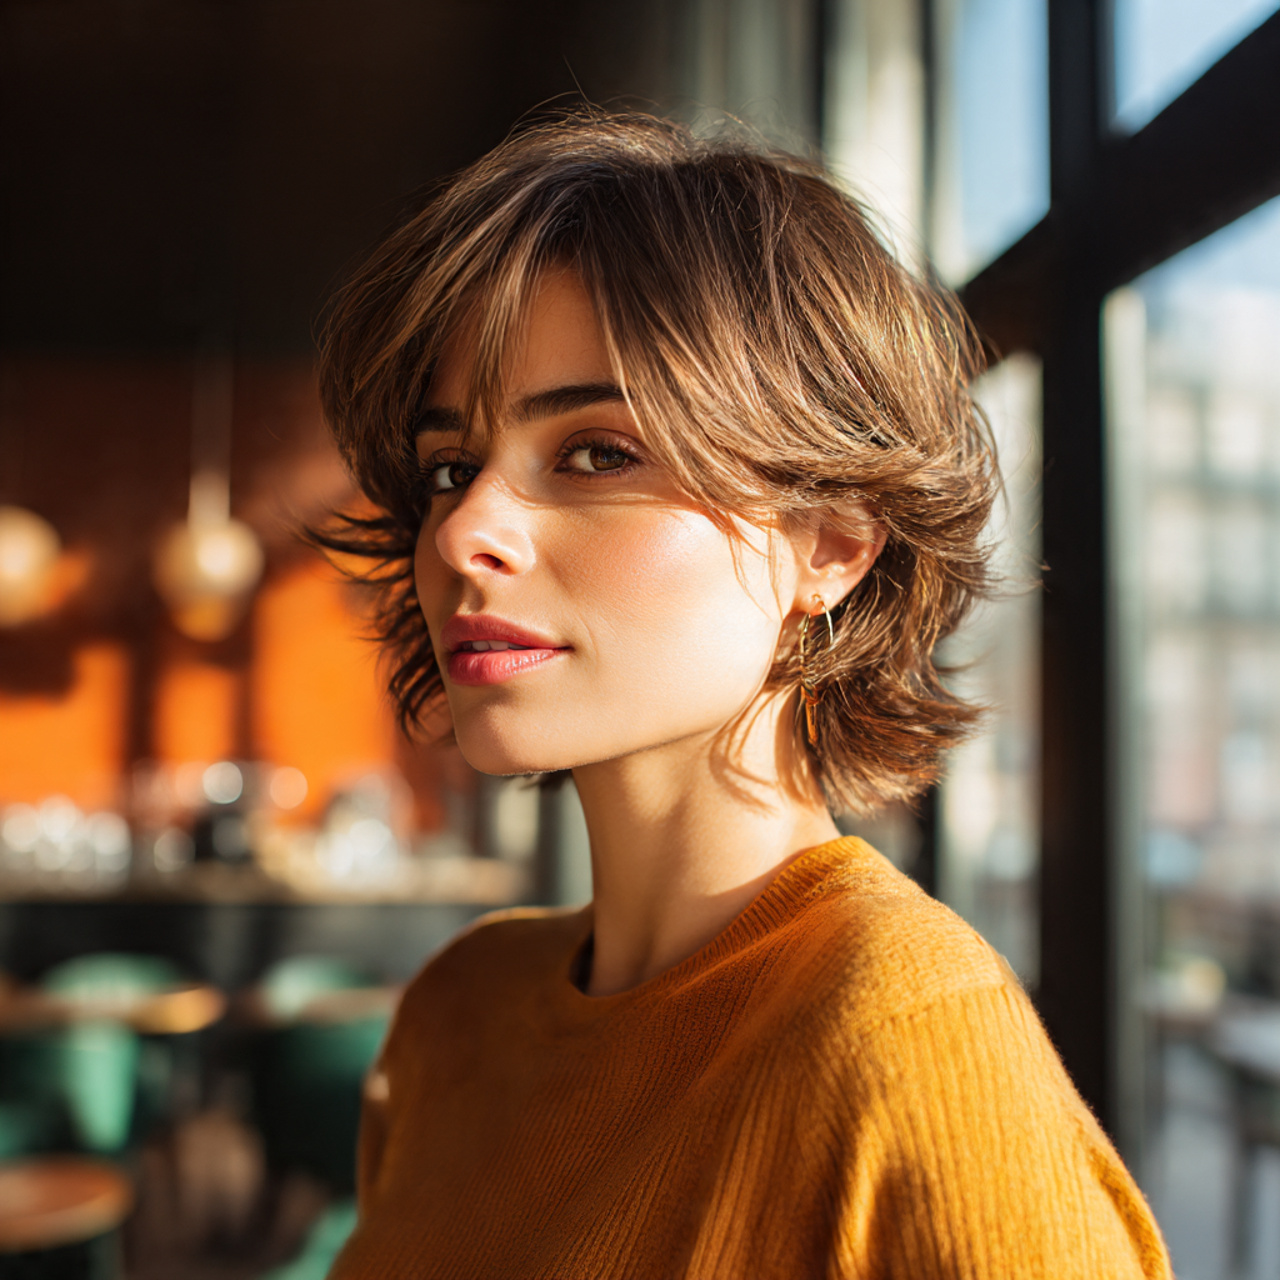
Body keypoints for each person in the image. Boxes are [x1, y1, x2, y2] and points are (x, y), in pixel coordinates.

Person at [318, 110, 1171, 1278]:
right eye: (449, 468)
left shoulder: (910, 1052)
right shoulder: (455, 1015)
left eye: (595, 452)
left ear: (827, 542)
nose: (464, 530)